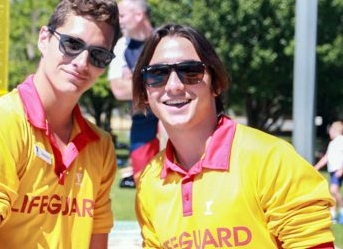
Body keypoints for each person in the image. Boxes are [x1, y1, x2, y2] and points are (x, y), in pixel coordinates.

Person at [0, 0, 120, 248]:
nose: (82, 63)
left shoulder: (100, 145)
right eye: (72, 44)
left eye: (98, 55)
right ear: (44, 39)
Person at [132, 23, 335, 248]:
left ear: (216, 84)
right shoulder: (150, 182)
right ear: (145, 92)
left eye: (190, 72)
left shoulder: (271, 159)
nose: (174, 86)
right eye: (157, 74)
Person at [108, 0, 160, 187]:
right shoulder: (122, 46)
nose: (118, 21)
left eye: (122, 16)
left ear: (139, 15)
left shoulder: (164, 41)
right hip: (141, 124)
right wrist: (157, 80)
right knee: (145, 186)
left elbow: (178, 85)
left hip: (172, 124)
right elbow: (118, 90)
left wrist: (134, 80)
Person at [315, 121, 343, 225]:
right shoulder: (332, 143)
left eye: (330, 130)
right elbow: (327, 157)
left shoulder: (341, 140)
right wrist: (317, 167)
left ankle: (341, 211)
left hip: (338, 170)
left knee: (333, 190)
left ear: (336, 130)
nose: (329, 133)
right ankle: (333, 215)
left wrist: (341, 169)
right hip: (332, 170)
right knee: (332, 193)